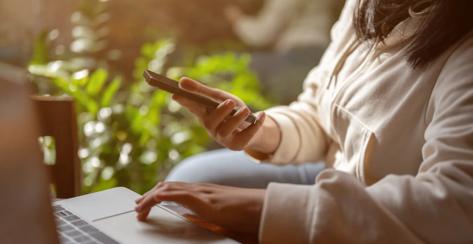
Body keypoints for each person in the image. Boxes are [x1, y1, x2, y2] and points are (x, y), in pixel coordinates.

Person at [136, 0, 473, 242]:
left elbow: (456, 205)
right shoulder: (364, 6)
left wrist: (259, 208)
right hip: (336, 168)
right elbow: (317, 110)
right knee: (191, 178)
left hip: (380, 200)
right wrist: (257, 130)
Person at [226, 0, 344, 104]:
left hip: (295, 55)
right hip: (322, 52)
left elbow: (261, 35)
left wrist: (237, 20)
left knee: (233, 67)